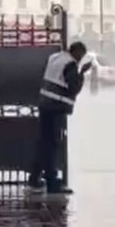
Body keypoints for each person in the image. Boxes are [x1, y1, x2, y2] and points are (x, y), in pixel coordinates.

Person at [29, 41, 91, 194]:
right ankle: (52, 183)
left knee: (43, 143)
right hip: (56, 108)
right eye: (81, 55)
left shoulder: (54, 57)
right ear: (76, 52)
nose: (80, 58)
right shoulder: (70, 64)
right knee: (52, 145)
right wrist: (82, 73)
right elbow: (73, 88)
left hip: (45, 104)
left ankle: (34, 179)